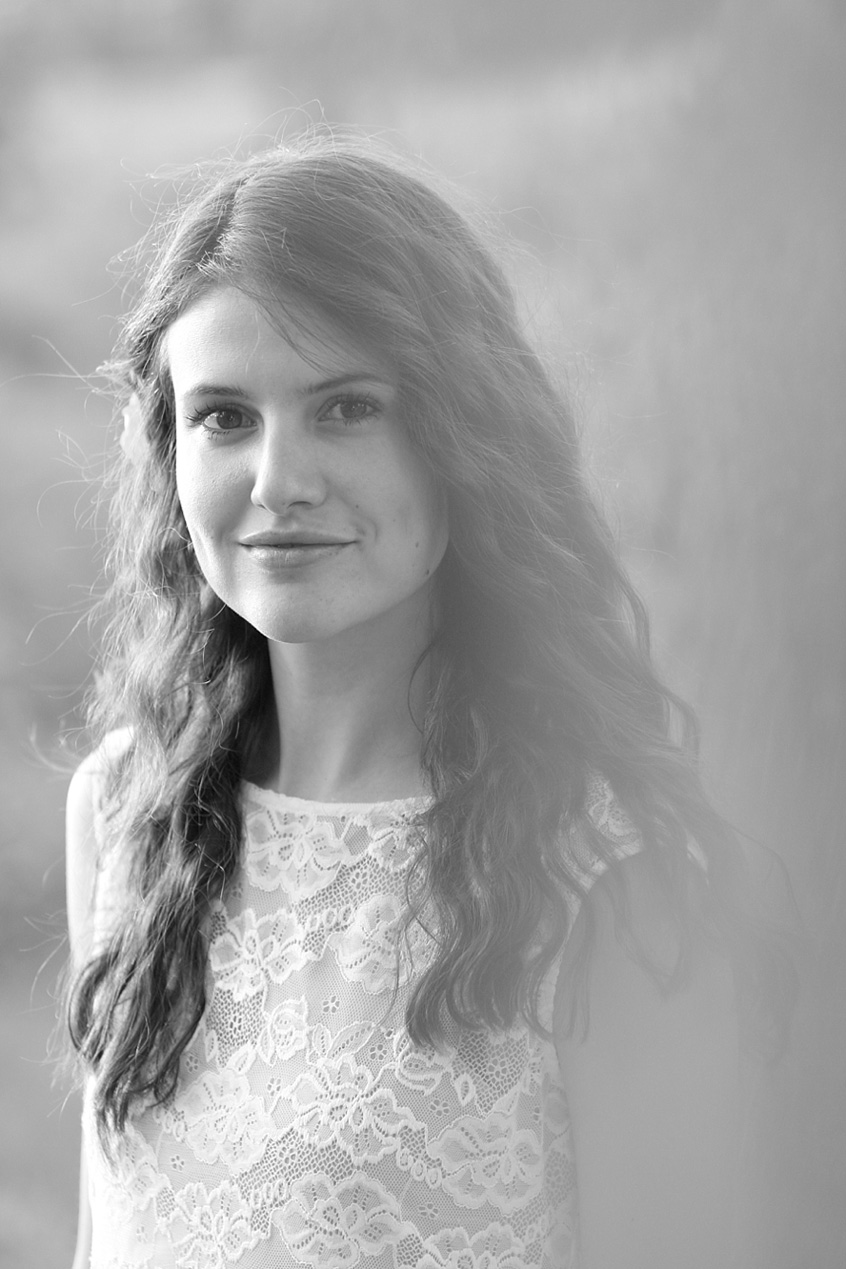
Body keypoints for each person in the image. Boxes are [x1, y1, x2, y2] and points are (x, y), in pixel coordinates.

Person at [64, 133, 790, 1269]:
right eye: (224, 417)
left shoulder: (602, 875)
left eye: (347, 408)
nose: (279, 482)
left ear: (465, 436)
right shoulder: (125, 810)